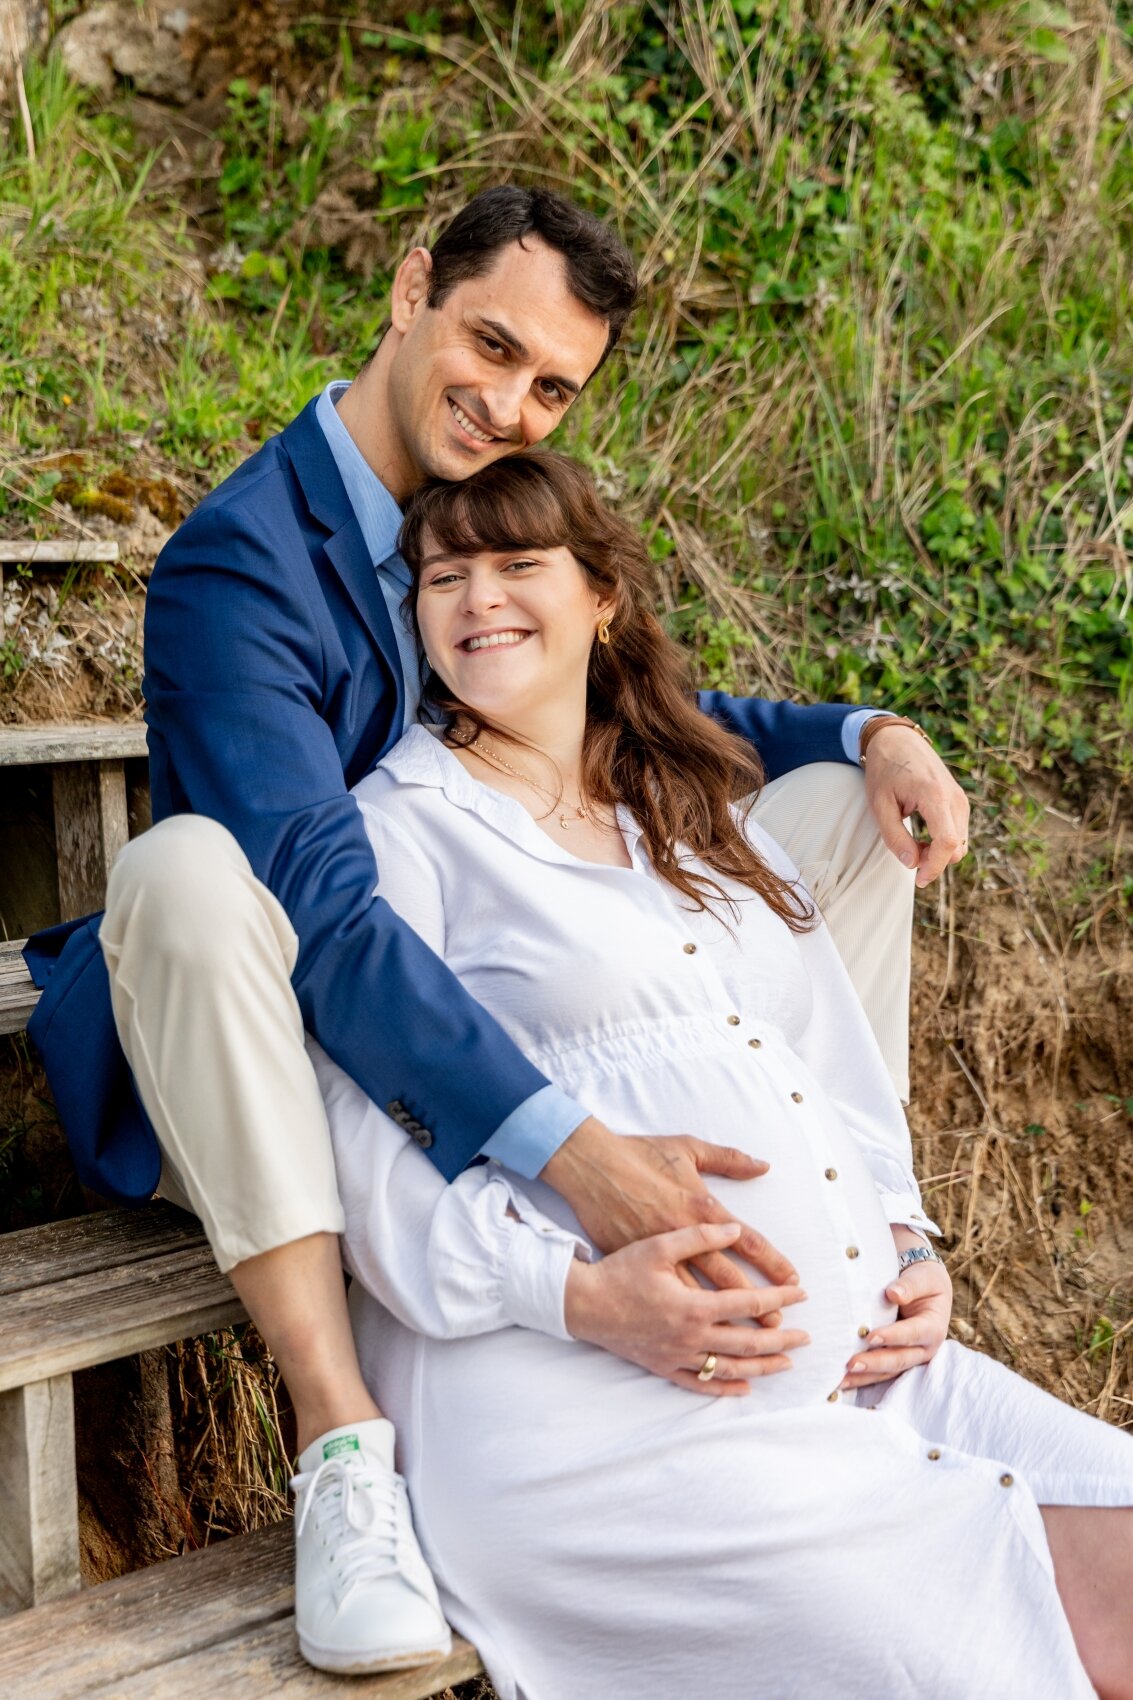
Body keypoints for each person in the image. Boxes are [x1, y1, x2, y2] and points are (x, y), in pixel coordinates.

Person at [23, 187, 969, 1674]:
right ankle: (343, 1445)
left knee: (846, 806)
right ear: (410, 293)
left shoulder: (467, 528)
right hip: (264, 1044)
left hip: (473, 985)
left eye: (551, 388)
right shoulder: (240, 563)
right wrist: (568, 1151)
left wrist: (869, 731)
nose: (510, 403)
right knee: (192, 872)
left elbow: (625, 705)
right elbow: (321, 910)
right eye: (491, 345)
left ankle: (858, 1239)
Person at [321, 449, 1133, 1700]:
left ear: (600, 598)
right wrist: (584, 1297)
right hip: (592, 1411)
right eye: (444, 574)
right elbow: (368, 1157)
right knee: (997, 1641)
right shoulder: (401, 829)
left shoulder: (688, 802)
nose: (477, 598)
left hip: (866, 1375)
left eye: (516, 564)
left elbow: (826, 1061)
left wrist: (902, 1236)